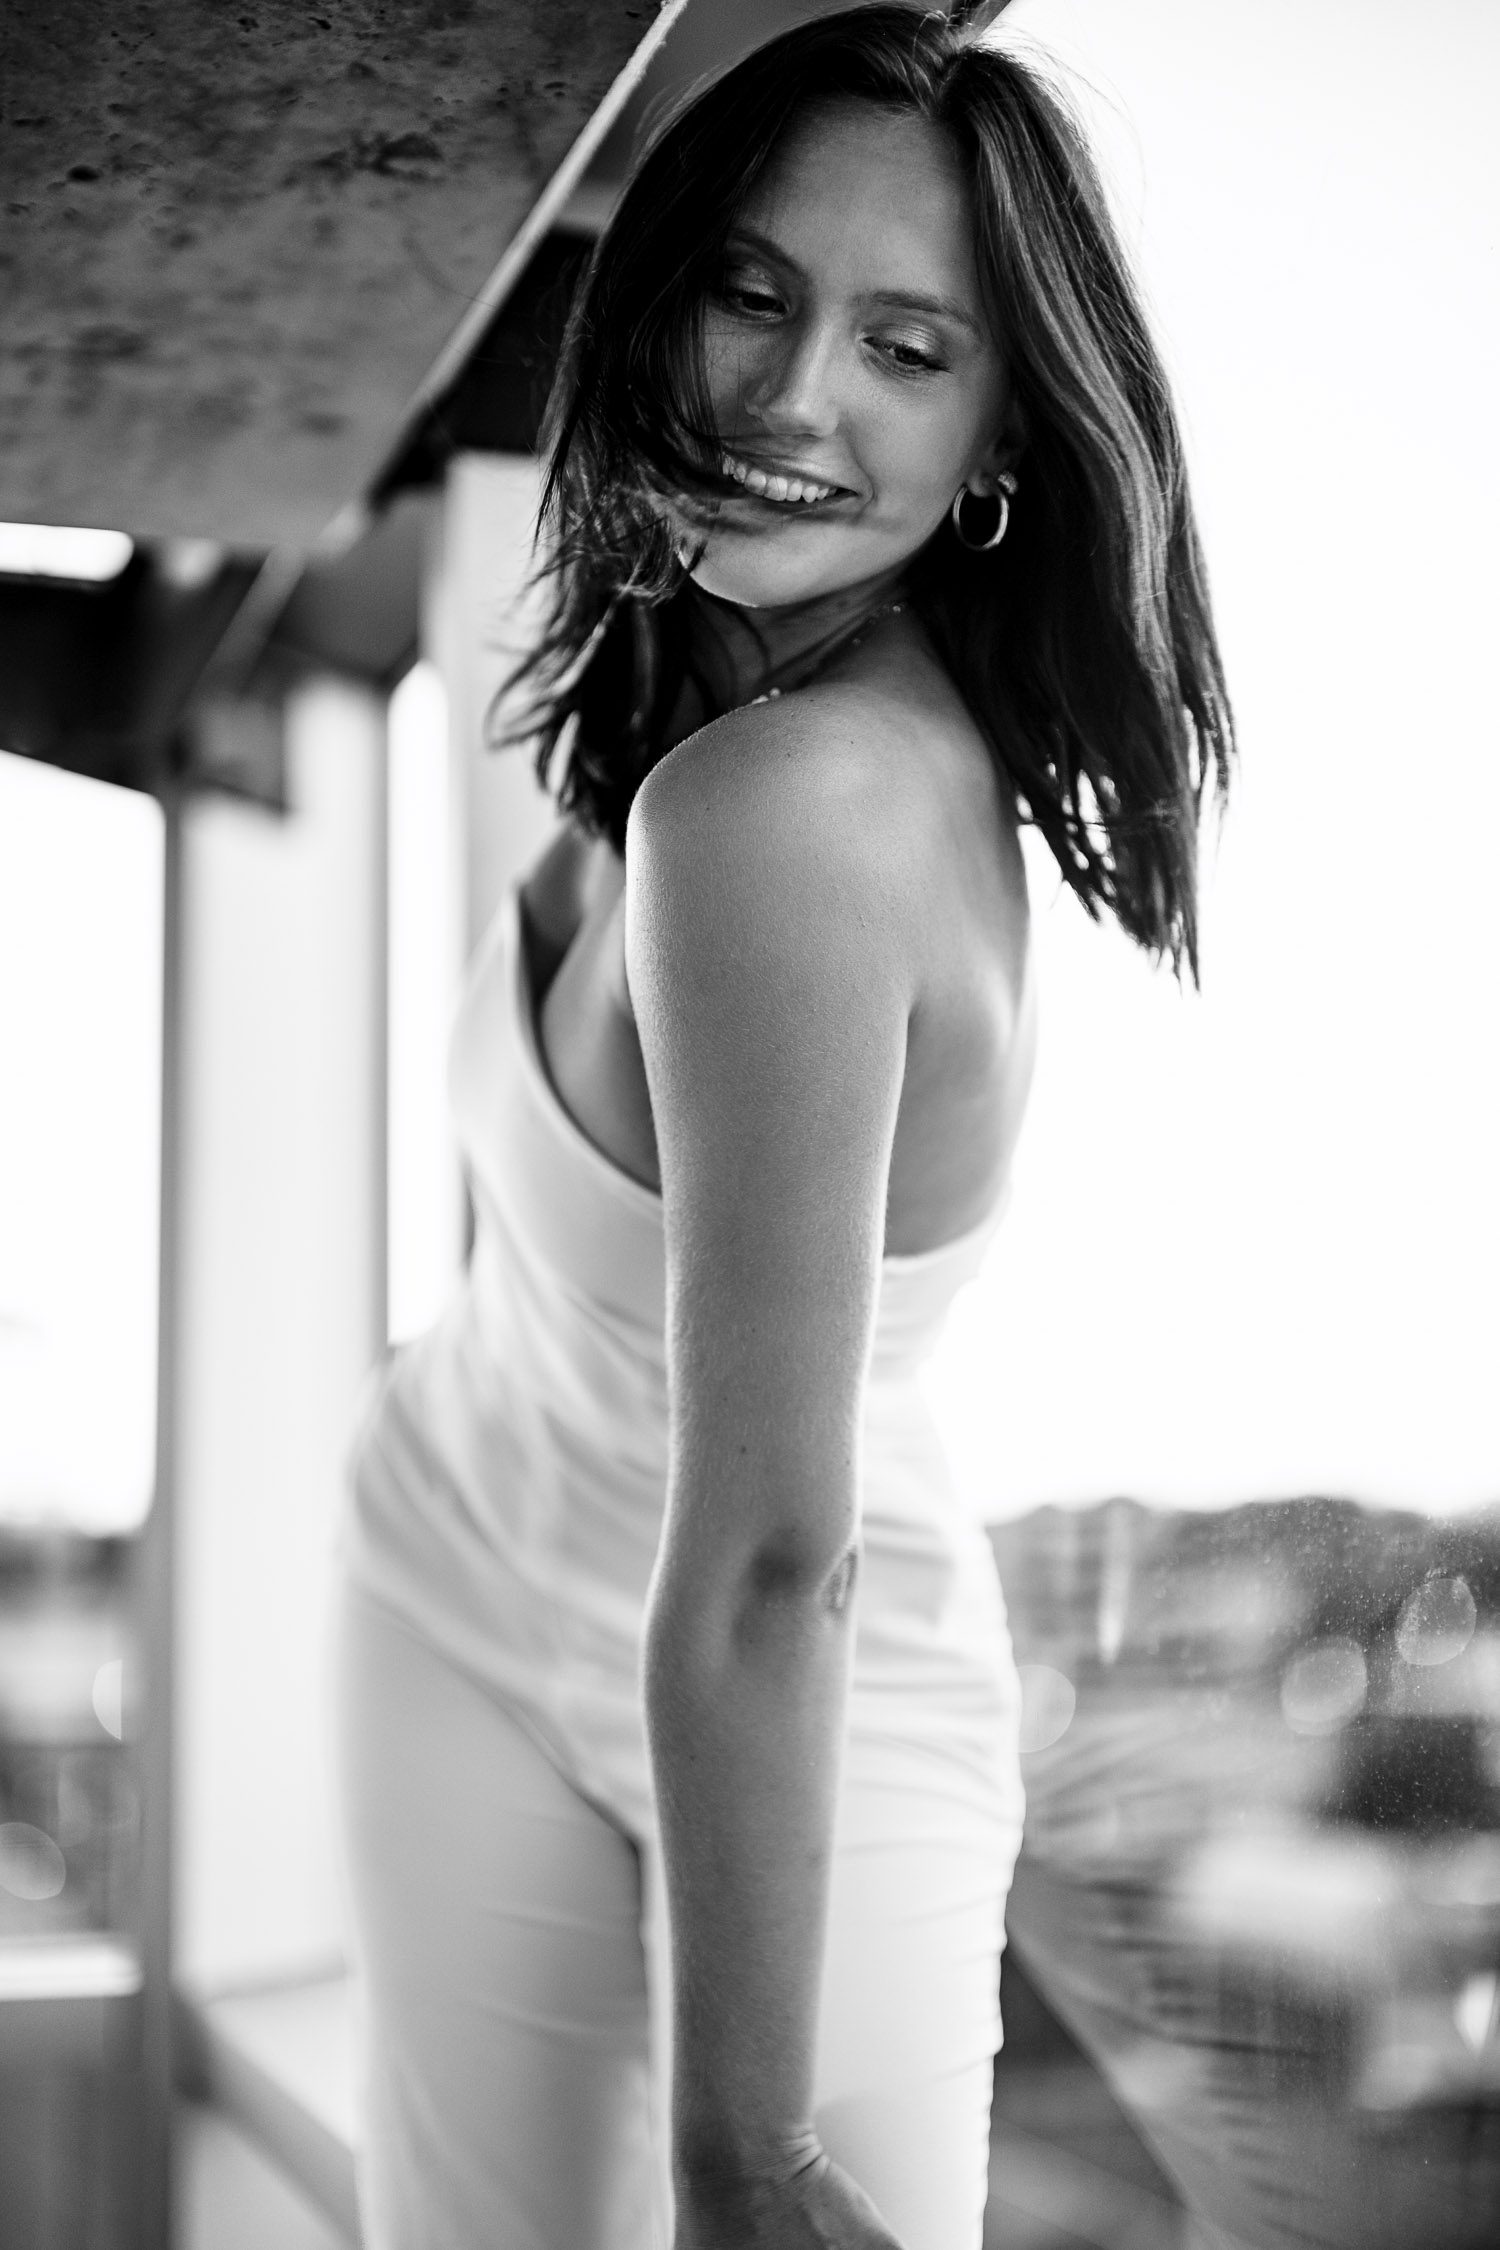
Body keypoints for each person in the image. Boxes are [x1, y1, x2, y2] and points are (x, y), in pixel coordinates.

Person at [336, 9, 1233, 2249]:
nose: (790, 394)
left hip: (782, 1693)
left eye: (907, 345)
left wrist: (744, 2157)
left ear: (1003, 429)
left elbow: (769, 1563)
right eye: (752, 289)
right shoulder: (697, 671)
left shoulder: (790, 808)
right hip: (453, 1565)